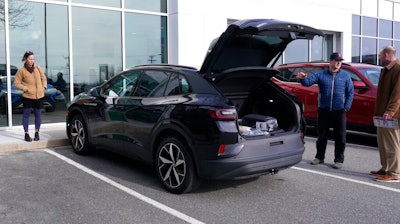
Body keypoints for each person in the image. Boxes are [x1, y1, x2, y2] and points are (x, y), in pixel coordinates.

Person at [296, 52, 354, 169]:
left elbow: (350, 92)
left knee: (340, 136)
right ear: (330, 61)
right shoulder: (321, 75)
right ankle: (319, 157)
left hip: (339, 111)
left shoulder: (345, 76)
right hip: (324, 110)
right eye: (336, 60)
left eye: (340, 61)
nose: (338, 63)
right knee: (322, 135)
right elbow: (307, 83)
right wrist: (302, 79)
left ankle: (338, 160)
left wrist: (346, 106)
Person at [371, 46, 400, 182]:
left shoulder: (397, 68)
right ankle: (385, 168)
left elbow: (398, 94)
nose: (379, 57)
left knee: (392, 143)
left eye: (380, 55)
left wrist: (390, 111)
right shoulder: (387, 69)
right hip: (382, 114)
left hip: (391, 115)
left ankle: (394, 173)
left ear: (387, 55)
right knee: (382, 142)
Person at [14, 51, 47, 142]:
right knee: (26, 115)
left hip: (39, 96)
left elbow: (43, 78)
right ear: (25, 59)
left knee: (38, 115)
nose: (32, 61)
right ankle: (26, 134)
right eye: (30, 59)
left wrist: (43, 87)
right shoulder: (21, 71)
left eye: (33, 59)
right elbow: (16, 83)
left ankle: (37, 133)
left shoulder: (37, 68)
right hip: (28, 96)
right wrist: (25, 88)